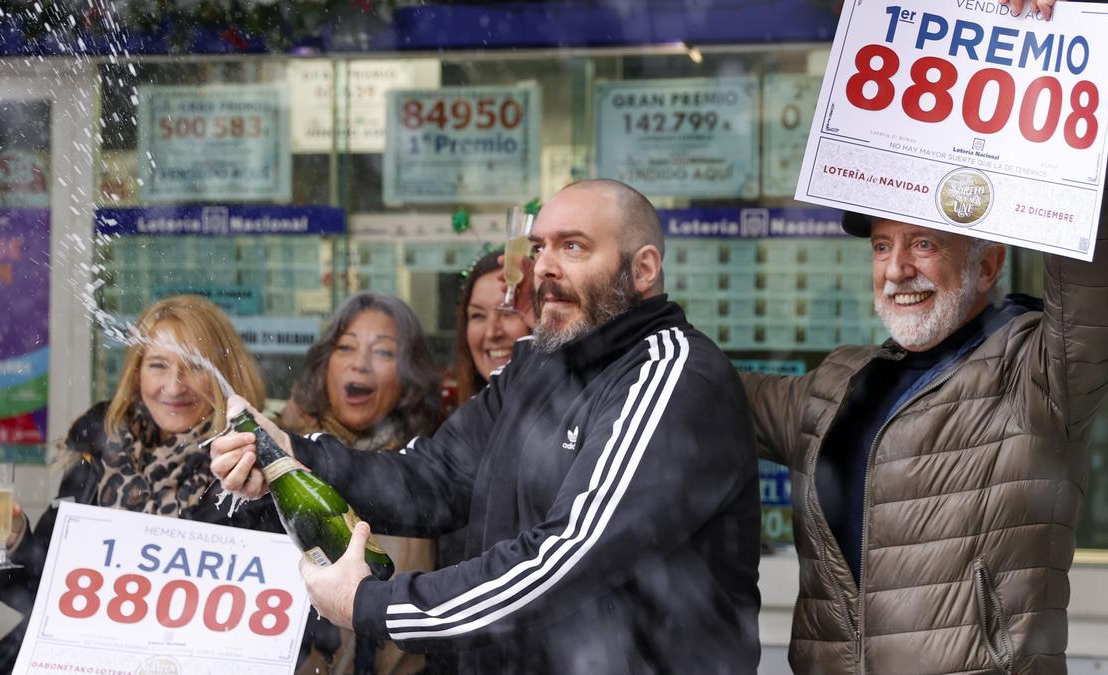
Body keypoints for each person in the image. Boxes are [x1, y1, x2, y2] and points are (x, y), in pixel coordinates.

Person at [211, 179, 762, 674]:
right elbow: (434, 476)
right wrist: (290, 455)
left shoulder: (671, 375)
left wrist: (372, 604)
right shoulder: (540, 364)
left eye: (573, 246)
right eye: (540, 246)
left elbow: (563, 560)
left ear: (642, 269)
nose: (545, 266)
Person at [737, 4, 1108, 673]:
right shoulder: (835, 382)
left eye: (924, 243)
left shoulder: (1037, 370)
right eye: (884, 246)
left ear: (987, 265)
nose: (897, 267)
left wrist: (1073, 80)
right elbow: (691, 386)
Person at [0, 295, 271, 674]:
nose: (174, 386)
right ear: (137, 372)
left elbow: (269, 611)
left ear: (225, 374)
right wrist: (12, 542)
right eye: (158, 365)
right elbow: (40, 591)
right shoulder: (100, 451)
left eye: (194, 366)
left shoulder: (255, 467)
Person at [280, 292, 442, 675]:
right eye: (345, 347)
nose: (360, 364)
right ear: (325, 364)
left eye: (383, 352)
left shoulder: (431, 476)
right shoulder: (284, 465)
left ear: (409, 374)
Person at [452, 248, 533, 406]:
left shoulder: (575, 420)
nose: (491, 333)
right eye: (478, 315)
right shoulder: (459, 421)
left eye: (508, 312)